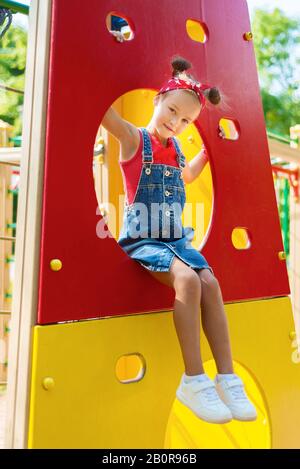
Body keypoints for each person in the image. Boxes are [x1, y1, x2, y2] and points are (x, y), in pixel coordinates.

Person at [101, 51, 257, 424]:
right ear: (158, 100)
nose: (176, 122)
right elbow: (106, 115)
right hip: (144, 242)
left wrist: (207, 152)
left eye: (186, 119)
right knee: (188, 279)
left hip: (176, 242)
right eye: (172, 110)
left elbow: (185, 178)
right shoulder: (135, 140)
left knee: (210, 283)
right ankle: (193, 379)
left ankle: (226, 378)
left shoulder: (177, 148)